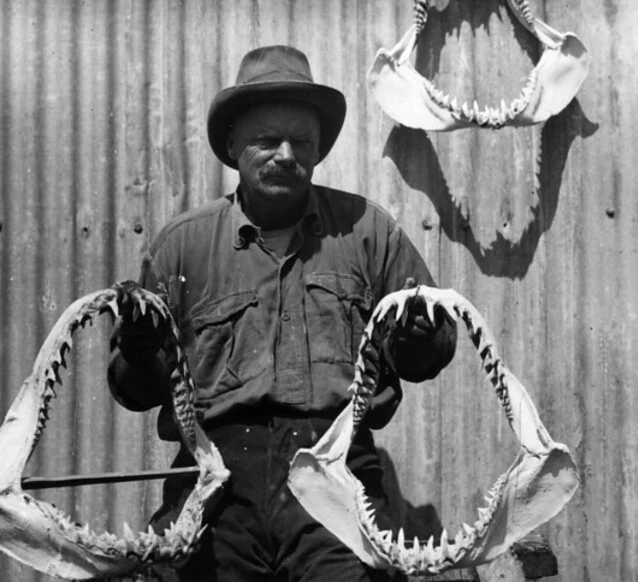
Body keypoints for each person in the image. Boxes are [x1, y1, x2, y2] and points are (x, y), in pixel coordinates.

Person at [108, 45, 456, 582]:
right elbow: (134, 390)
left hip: (336, 475)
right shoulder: (183, 247)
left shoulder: (369, 232)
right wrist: (138, 351)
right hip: (215, 484)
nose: (287, 154)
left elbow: (431, 352)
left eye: (302, 141)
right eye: (267, 140)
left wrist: (419, 336)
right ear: (232, 145)